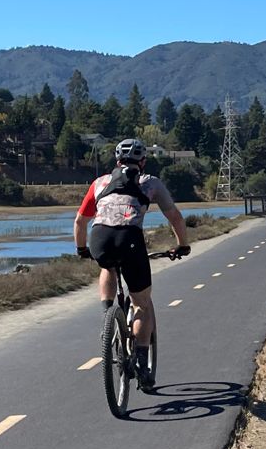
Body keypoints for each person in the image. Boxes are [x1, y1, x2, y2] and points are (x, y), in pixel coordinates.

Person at [74, 138, 191, 392]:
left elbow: (80, 222)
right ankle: (140, 360)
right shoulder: (150, 182)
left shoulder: (100, 183)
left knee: (107, 266)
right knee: (142, 302)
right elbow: (175, 216)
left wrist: (82, 249)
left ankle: (108, 315)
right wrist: (182, 244)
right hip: (130, 240)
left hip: (100, 238)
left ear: (116, 162)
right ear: (143, 161)